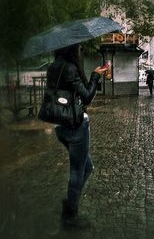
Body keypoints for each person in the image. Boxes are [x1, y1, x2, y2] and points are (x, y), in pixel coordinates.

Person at [46, 44, 107, 229]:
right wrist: (96, 76)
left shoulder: (53, 67)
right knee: (77, 171)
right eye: (78, 48)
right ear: (73, 49)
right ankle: (70, 216)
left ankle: (70, 203)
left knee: (87, 167)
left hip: (60, 125)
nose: (80, 50)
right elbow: (87, 97)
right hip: (76, 126)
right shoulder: (71, 68)